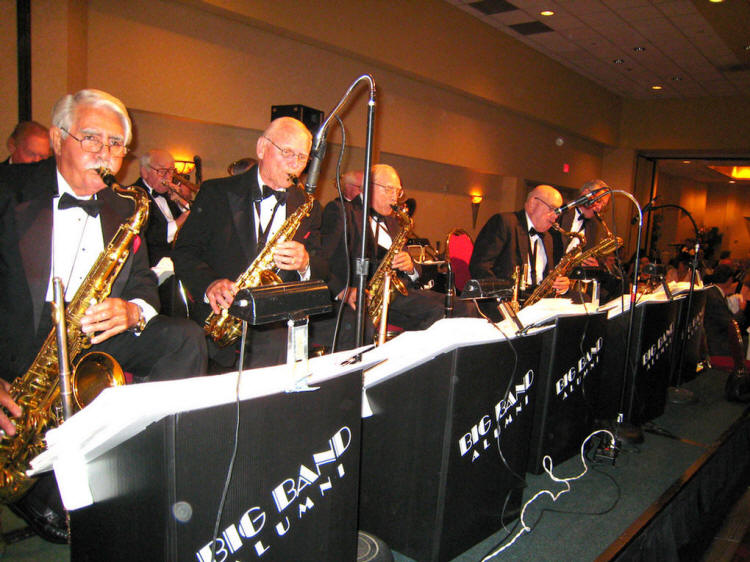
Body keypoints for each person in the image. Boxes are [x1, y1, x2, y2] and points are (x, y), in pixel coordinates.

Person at [0, 89, 207, 543]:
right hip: (23, 338)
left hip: (96, 329)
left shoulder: (126, 207)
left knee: (186, 338)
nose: (107, 156)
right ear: (58, 138)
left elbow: (142, 283)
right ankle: (33, 477)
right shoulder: (7, 190)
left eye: (116, 145)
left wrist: (133, 310)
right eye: (92, 139)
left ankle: (142, 465)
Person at [173, 116, 326, 369]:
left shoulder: (309, 207)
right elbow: (184, 252)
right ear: (261, 148)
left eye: (302, 157)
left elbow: (323, 266)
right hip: (220, 314)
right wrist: (210, 283)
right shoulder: (216, 193)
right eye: (287, 152)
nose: (295, 164)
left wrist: (306, 263)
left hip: (276, 318)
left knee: (277, 343)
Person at [321, 164, 452, 334]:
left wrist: (411, 267)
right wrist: (343, 291)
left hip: (397, 296)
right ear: (369, 186)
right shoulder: (342, 211)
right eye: (389, 190)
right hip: (364, 301)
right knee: (442, 313)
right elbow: (321, 260)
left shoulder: (393, 221)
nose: (394, 198)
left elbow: (415, 271)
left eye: (398, 192)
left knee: (460, 306)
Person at [470, 184, 569, 296]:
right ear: (533, 204)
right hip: (505, 302)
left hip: (539, 305)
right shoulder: (504, 222)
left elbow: (548, 277)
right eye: (552, 209)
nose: (555, 217)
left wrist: (561, 285)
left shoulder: (548, 238)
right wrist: (501, 295)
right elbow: (480, 267)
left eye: (558, 212)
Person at [558, 179, 612, 256]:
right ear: (586, 194)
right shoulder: (562, 213)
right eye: (599, 201)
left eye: (603, 205)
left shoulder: (594, 225)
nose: (599, 208)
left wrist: (591, 265)